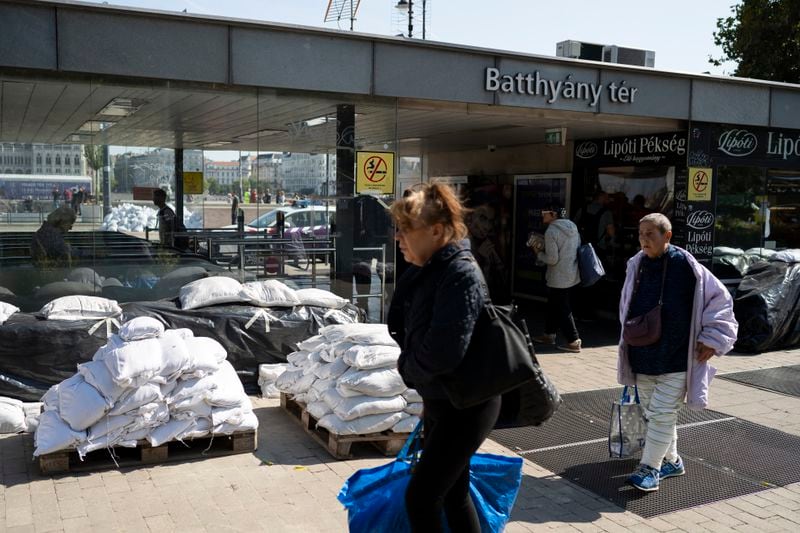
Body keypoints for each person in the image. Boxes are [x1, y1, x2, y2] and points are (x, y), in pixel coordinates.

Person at [387, 183, 500, 533]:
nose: (398, 238)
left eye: (406, 229)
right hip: (444, 399)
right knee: (452, 492)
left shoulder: (459, 273)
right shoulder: (430, 267)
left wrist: (406, 368)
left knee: (421, 498)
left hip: (467, 405)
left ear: (436, 231)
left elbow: (443, 352)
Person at [617, 213, 738, 492]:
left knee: (662, 413)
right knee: (653, 412)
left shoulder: (686, 265)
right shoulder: (636, 264)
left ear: (667, 236)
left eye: (651, 234)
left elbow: (720, 300)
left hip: (676, 355)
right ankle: (672, 461)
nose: (644, 239)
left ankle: (649, 469)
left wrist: (713, 338)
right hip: (642, 354)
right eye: (641, 233)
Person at [531, 205, 582, 353]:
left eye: (544, 212)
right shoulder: (572, 226)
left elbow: (552, 259)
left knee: (562, 307)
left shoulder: (551, 230)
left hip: (558, 275)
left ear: (553, 215)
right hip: (571, 272)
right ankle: (549, 334)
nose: (542, 215)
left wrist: (538, 252)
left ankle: (573, 341)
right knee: (554, 304)